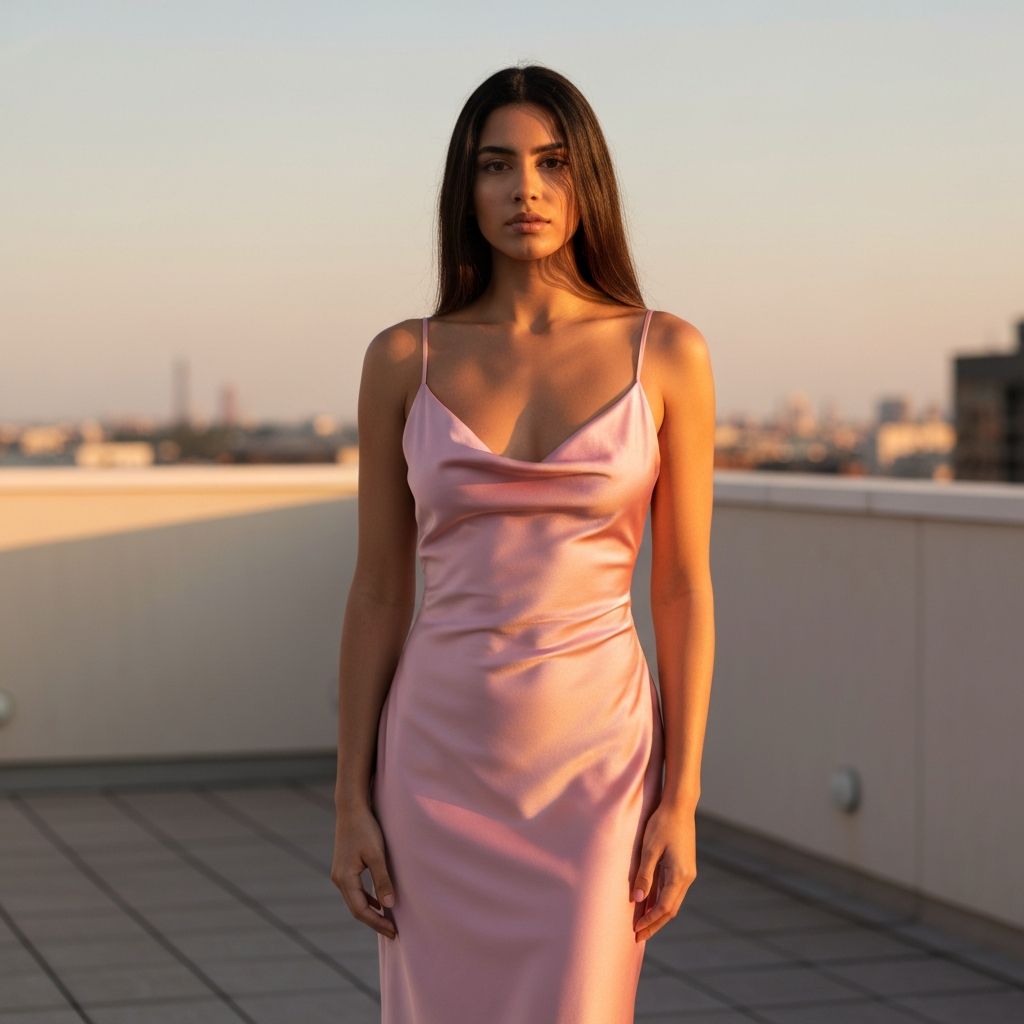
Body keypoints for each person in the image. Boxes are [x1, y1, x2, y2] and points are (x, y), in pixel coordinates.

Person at [331, 63, 716, 1023]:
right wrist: (350, 797)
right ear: (466, 189)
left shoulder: (665, 352)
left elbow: (682, 590)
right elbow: (380, 592)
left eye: (551, 163)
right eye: (496, 165)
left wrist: (683, 795)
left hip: (599, 767)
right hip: (435, 762)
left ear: (588, 181)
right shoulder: (401, 361)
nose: (526, 190)